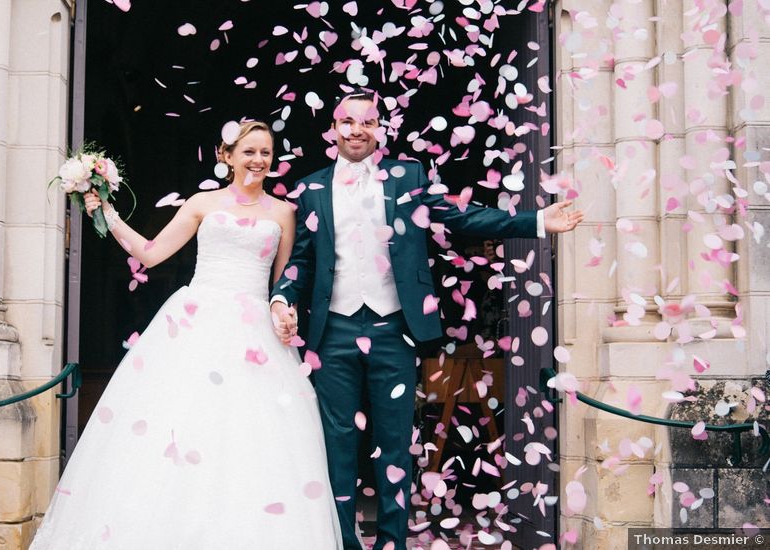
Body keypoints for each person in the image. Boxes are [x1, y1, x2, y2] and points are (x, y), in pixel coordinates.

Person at [269, 89, 583, 550]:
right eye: (347, 122)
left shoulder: (409, 177)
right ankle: (343, 542)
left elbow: (462, 216)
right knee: (335, 442)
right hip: (332, 331)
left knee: (395, 443)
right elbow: (299, 262)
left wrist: (534, 222)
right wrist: (281, 299)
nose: (357, 130)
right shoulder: (312, 188)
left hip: (394, 328)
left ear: (381, 128)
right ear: (332, 129)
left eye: (367, 122)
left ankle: (391, 543)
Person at [31, 121, 341, 549]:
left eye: (265, 152)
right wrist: (107, 213)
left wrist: (284, 312)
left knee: (252, 438)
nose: (258, 160)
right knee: (181, 427)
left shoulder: (283, 213)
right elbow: (151, 252)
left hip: (255, 334)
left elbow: (285, 282)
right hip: (197, 322)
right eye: (248, 151)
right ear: (226, 155)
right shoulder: (201, 203)